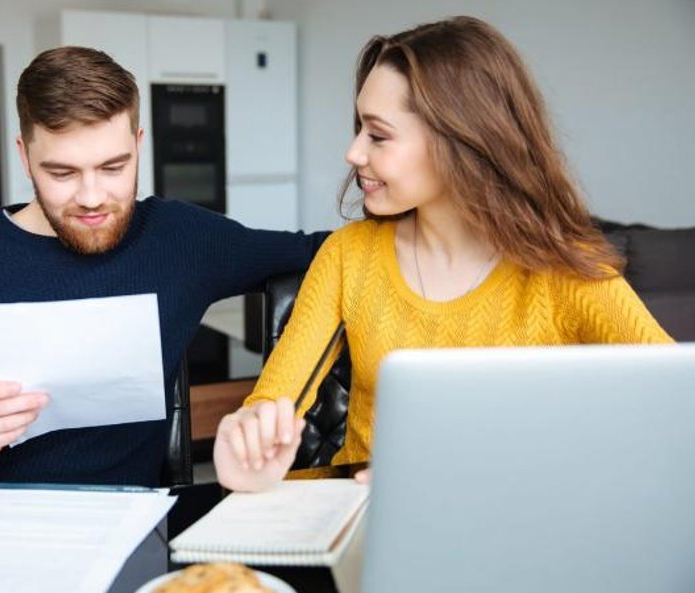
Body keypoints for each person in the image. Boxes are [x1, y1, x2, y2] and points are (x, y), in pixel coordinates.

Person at [0, 46, 326, 525]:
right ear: (24, 156)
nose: (91, 198)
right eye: (62, 173)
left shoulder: (179, 240)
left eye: (113, 168)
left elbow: (321, 251)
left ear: (138, 144)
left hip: (125, 530)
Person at [213, 16, 674, 493]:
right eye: (359, 129)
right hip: (364, 518)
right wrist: (247, 438)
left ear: (461, 140)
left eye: (378, 135)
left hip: (522, 517)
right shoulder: (348, 256)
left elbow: (675, 405)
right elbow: (271, 401)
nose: (352, 153)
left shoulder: (566, 270)